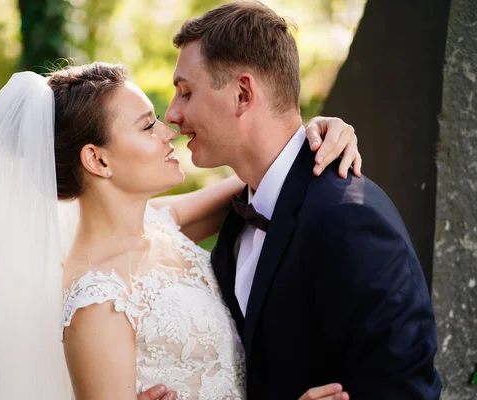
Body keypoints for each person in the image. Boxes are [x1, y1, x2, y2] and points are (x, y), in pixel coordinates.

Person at [0, 62, 360, 399]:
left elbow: (269, 173)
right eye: (147, 126)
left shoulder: (161, 221)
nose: (169, 132)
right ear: (98, 160)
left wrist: (320, 134)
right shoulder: (96, 303)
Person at [163, 1, 442, 399]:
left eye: (186, 92)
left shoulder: (350, 219)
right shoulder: (242, 211)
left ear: (243, 94)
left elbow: (406, 390)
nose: (172, 114)